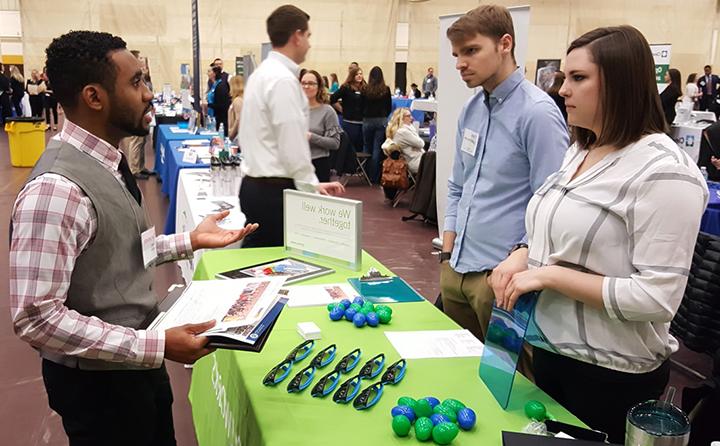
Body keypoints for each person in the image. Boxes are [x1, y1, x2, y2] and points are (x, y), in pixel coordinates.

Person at [10, 30, 259, 446]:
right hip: (101, 389)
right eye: (136, 82)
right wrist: (154, 344)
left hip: (134, 366)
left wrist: (189, 241)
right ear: (94, 97)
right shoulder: (56, 190)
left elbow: (120, 250)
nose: (148, 94)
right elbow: (37, 318)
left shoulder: (107, 159)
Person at [491, 25, 707, 443]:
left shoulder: (665, 171)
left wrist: (550, 276)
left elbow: (656, 299)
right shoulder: (581, 150)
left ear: (621, 82)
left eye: (578, 78)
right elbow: (555, 235)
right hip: (551, 350)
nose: (562, 89)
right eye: (563, 77)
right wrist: (523, 254)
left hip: (610, 374)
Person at [440, 5, 568, 366]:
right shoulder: (471, 109)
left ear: (505, 44)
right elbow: (457, 186)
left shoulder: (537, 113)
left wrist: (520, 259)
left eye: (471, 51)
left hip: (500, 281)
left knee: (507, 385)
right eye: (456, 55)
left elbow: (553, 206)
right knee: (457, 374)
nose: (460, 63)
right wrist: (448, 255)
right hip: (457, 269)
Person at [239, 4, 344, 248]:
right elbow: (292, 144)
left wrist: (311, 184)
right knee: (274, 265)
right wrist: (310, 186)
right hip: (274, 194)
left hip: (256, 185)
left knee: (259, 259)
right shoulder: (283, 81)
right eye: (308, 36)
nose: (309, 43)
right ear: (297, 36)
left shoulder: (260, 74)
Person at [302, 69, 341, 182]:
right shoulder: (294, 109)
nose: (306, 86)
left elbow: (335, 143)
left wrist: (311, 137)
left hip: (318, 164)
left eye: (311, 83)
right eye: (303, 83)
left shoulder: (328, 111)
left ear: (319, 87)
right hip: (296, 164)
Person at [361, 66, 392, 184]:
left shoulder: (365, 89)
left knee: (366, 147)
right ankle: (374, 177)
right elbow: (389, 107)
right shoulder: (386, 89)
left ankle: (366, 174)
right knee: (377, 149)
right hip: (381, 120)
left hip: (368, 120)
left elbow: (361, 105)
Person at [330, 67, 365, 153]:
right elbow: (333, 99)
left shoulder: (365, 87)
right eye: (357, 74)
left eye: (361, 74)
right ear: (352, 76)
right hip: (349, 122)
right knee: (349, 146)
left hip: (362, 122)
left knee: (361, 146)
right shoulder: (346, 87)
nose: (359, 76)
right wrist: (342, 109)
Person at [382, 107, 424, 174]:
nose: (412, 118)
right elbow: (421, 144)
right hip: (414, 162)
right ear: (401, 118)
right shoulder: (403, 132)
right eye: (408, 116)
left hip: (413, 158)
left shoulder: (398, 130)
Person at [209, 65, 230, 136]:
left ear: (214, 73)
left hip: (220, 118)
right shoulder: (214, 84)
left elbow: (221, 105)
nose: (208, 73)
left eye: (209, 71)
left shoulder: (221, 86)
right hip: (212, 116)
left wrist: (208, 105)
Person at [228, 75, 244, 144]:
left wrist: (231, 134)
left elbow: (238, 119)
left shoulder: (237, 100)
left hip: (237, 137)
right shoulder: (241, 99)